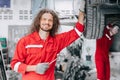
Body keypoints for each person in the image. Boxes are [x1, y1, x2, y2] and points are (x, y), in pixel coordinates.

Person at [10, 1, 85, 80]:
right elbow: (14, 65)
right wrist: (35, 68)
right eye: (44, 19)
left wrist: (81, 11)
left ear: (53, 24)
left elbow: (77, 31)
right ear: (39, 22)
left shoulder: (57, 41)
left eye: (50, 20)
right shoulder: (25, 41)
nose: (47, 22)